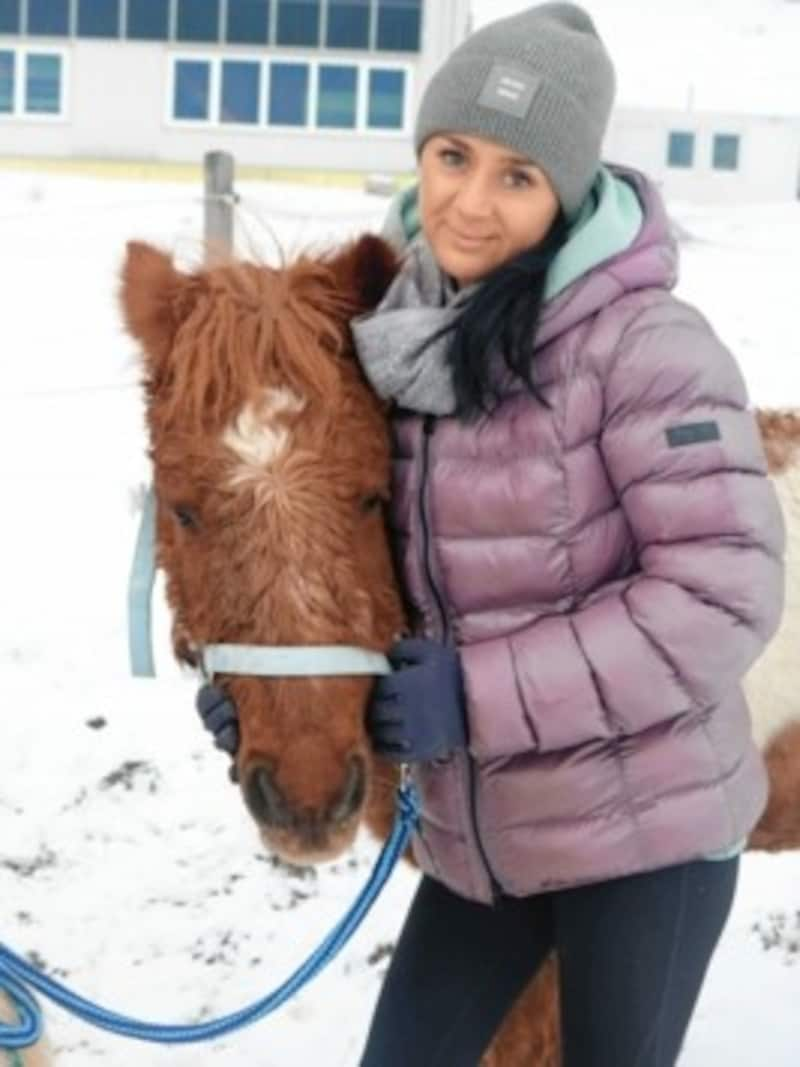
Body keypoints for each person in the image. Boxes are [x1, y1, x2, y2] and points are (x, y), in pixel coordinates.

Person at [198, 5, 786, 1064]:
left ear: (565, 191)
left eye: (516, 175)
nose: (469, 202)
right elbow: (378, 566)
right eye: (452, 155)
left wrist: (469, 693)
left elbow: (720, 595)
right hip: (484, 835)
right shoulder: (393, 336)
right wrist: (280, 683)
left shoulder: (645, 347)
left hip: (646, 836)